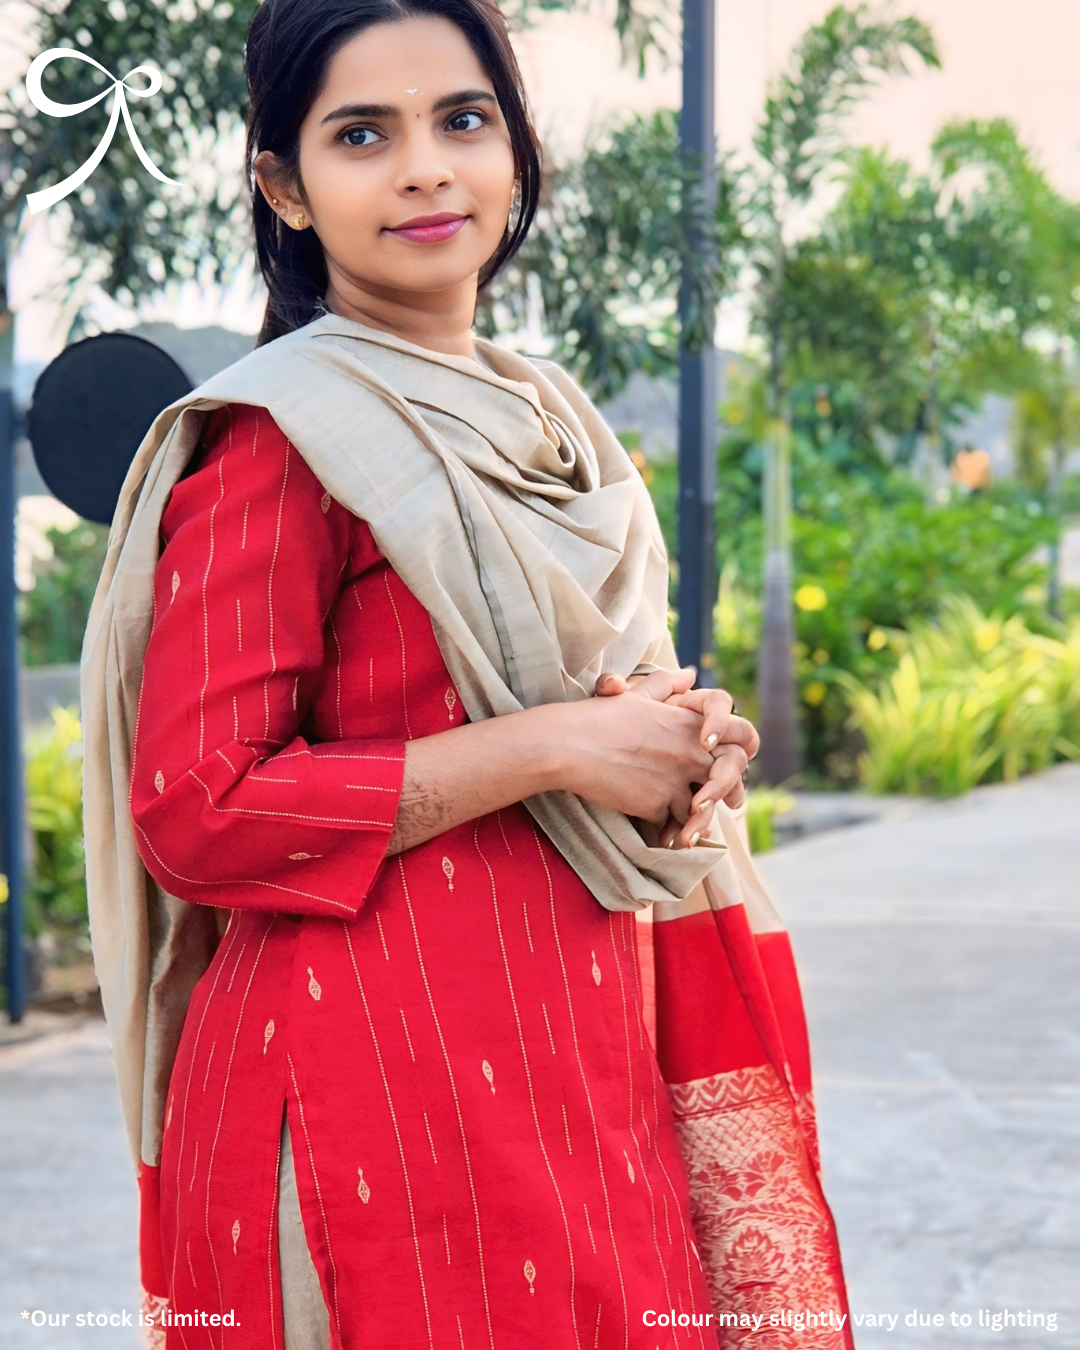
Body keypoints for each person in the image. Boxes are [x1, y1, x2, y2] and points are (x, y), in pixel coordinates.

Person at [79, 0, 854, 1346]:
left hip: (579, 1065)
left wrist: (674, 744)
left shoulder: (550, 419)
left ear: (515, 153)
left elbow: (583, 712)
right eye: (363, 134)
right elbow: (198, 808)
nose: (426, 167)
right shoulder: (281, 442)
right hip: (363, 1101)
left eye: (463, 119)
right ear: (287, 186)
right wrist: (554, 748)